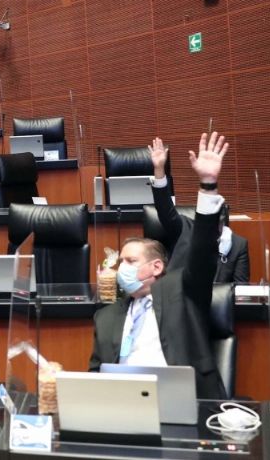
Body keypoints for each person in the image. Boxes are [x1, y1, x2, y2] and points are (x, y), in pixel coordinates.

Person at [89, 132, 230, 400]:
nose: (122, 269)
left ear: (156, 268)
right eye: (120, 263)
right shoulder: (105, 318)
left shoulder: (181, 293)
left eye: (130, 262)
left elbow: (201, 252)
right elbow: (96, 378)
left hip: (180, 401)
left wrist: (208, 184)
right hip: (123, 406)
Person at [147, 138, 249, 284]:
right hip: (178, 298)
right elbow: (165, 210)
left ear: (223, 222)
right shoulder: (185, 229)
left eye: (215, 222)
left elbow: (240, 288)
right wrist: (159, 170)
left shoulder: (238, 244)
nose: (210, 227)